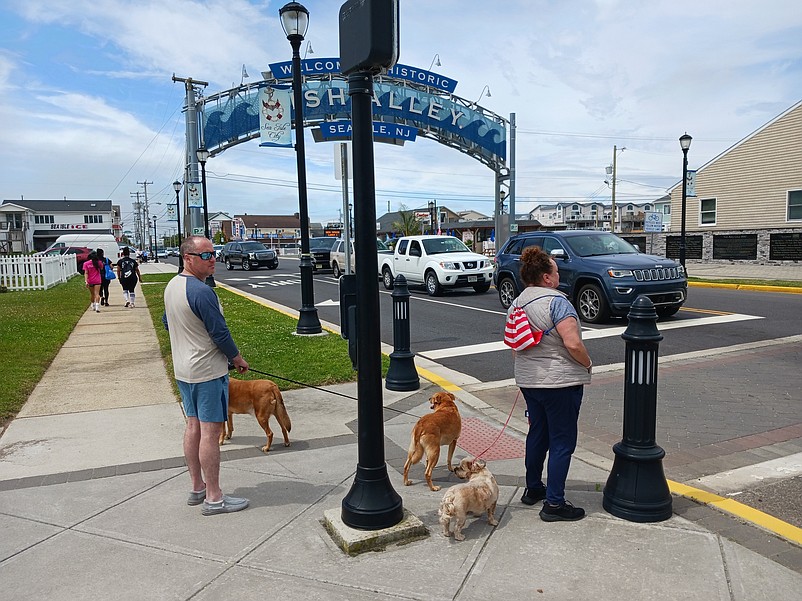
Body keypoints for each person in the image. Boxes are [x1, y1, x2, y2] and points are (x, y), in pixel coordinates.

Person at [162, 236, 250, 516]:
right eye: (205, 255)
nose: (213, 259)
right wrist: (236, 358)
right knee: (210, 434)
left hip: (184, 370)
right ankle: (214, 498)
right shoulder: (202, 292)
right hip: (207, 372)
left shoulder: (172, 286)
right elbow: (219, 332)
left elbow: (168, 322)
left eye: (213, 253)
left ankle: (197, 486)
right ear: (187, 258)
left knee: (192, 427)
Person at [511, 246, 593, 522]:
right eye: (555, 270)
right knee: (562, 442)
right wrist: (587, 364)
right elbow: (573, 343)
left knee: (538, 434)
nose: (558, 274)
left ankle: (533, 488)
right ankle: (555, 504)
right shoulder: (558, 302)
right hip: (560, 383)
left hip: (529, 381)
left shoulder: (517, 302)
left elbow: (517, 344)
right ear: (546, 277)